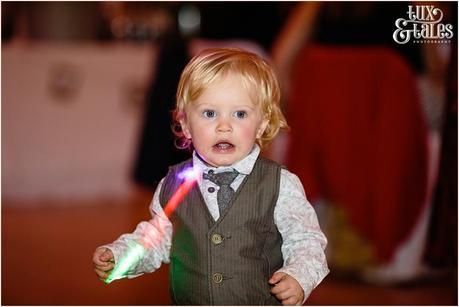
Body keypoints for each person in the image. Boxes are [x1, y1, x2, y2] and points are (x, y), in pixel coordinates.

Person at [92, 48, 329, 305]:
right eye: (209, 113)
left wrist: (298, 277)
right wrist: (121, 256)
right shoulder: (174, 185)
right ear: (185, 124)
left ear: (261, 123)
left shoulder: (279, 184)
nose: (224, 126)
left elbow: (307, 241)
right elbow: (155, 239)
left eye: (240, 114)